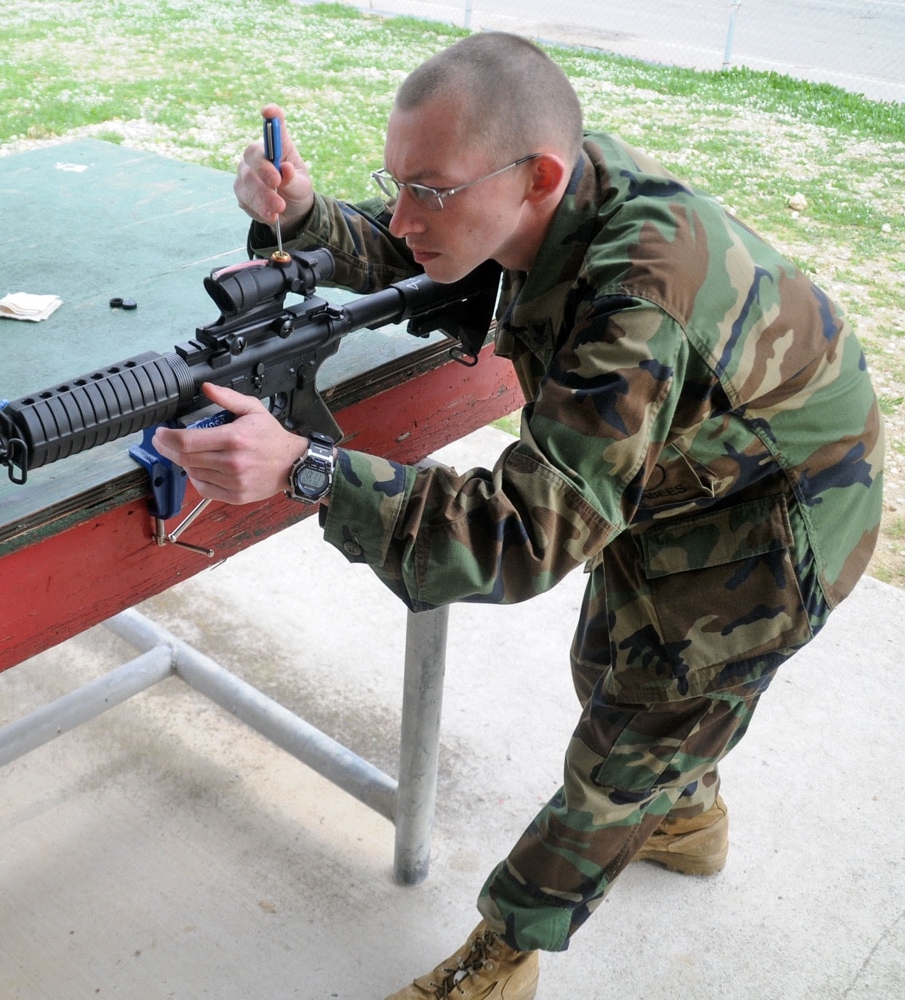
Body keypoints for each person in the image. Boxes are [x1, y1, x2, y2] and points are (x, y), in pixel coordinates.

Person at [151, 31, 884, 1000]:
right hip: (682, 475)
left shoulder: (637, 299)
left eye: (431, 188)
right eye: (396, 180)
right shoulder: (553, 195)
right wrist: (307, 215)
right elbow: (440, 252)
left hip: (771, 523)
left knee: (622, 746)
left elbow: (520, 537)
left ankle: (502, 954)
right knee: (615, 669)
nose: (405, 213)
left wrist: (309, 469)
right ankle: (684, 809)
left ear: (533, 173)